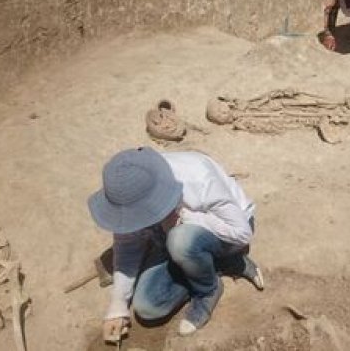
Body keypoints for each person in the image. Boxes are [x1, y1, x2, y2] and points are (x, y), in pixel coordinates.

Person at [87, 147, 264, 343]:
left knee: (181, 240)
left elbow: (242, 233)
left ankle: (208, 289)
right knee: (148, 307)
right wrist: (118, 305)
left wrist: (187, 217)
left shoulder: (197, 178)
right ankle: (213, 265)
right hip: (172, 238)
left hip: (226, 234)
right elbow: (127, 246)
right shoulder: (130, 194)